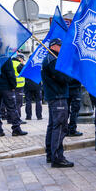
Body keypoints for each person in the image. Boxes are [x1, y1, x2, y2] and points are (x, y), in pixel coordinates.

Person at [41, 38, 73, 168]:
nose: (62, 48)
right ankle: (57, 157)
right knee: (60, 127)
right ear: (54, 46)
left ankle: (50, 154)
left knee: (53, 126)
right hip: (58, 96)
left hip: (54, 96)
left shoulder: (50, 58)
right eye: (61, 46)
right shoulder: (53, 60)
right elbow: (65, 78)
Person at [0, 58, 28, 137]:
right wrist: (13, 85)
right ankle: (16, 129)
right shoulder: (6, 59)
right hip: (6, 87)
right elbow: (10, 73)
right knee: (12, 108)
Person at [12, 54, 26, 122]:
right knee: (18, 104)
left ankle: (11, 119)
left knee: (12, 103)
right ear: (20, 59)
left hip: (12, 86)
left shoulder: (11, 63)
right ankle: (18, 119)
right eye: (22, 60)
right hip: (19, 86)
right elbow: (25, 72)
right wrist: (22, 64)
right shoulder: (19, 64)